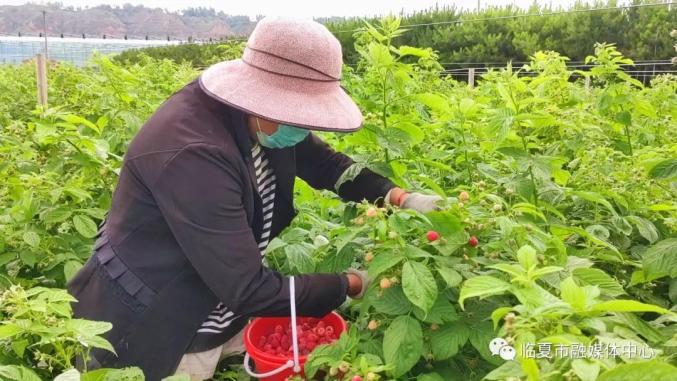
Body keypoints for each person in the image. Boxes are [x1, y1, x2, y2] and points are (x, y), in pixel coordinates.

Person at [67, 16, 441, 380]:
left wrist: (396, 196)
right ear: (264, 98)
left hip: (216, 293)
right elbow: (247, 289)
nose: (305, 127)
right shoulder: (194, 153)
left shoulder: (261, 119)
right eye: (301, 115)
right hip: (157, 317)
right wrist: (351, 284)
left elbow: (325, 164)